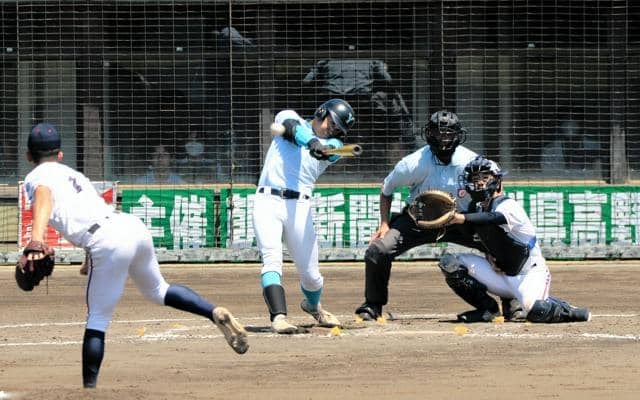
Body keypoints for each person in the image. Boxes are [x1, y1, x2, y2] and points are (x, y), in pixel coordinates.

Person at [21, 122, 248, 388]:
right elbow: (93, 212)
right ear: (60, 154)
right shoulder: (75, 176)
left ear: (28, 156)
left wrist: (36, 240)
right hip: (130, 226)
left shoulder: (35, 177)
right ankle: (212, 311)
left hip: (106, 241)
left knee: (98, 318)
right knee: (159, 290)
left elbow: (44, 196)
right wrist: (88, 258)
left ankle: (88, 391)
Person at [354, 110, 481, 321]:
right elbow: (387, 189)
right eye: (439, 133)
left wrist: (487, 229)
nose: (444, 138)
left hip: (459, 219)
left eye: (449, 133)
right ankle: (372, 305)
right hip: (417, 220)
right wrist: (384, 224)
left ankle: (511, 303)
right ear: (429, 134)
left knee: (499, 247)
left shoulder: (471, 162)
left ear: (458, 135)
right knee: (378, 250)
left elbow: (492, 189)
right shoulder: (412, 163)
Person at [439, 155, 590, 323]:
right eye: (475, 178)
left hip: (529, 274)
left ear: (497, 180)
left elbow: (493, 218)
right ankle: (487, 310)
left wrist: (461, 218)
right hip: (500, 276)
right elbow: (482, 236)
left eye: (485, 177)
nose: (479, 183)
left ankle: (569, 310)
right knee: (450, 263)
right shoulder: (475, 208)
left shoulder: (508, 205)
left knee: (538, 311)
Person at [252, 99, 355, 334]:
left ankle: (313, 306)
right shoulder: (290, 116)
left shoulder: (334, 144)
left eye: (338, 129)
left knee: (312, 276)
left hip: (300, 207)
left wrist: (323, 149)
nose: (332, 130)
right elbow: (291, 127)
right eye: (332, 123)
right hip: (267, 200)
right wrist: (311, 142)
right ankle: (279, 317)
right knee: (272, 259)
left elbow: (332, 152)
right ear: (322, 113)